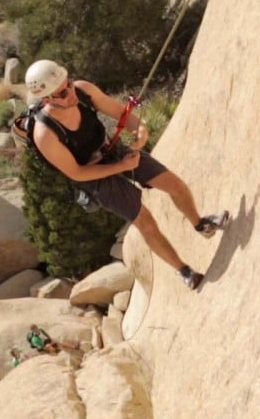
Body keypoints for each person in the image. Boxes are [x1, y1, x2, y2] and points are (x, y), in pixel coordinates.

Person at [24, 59, 229, 290]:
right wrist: (121, 167)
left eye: (68, 83)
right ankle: (185, 271)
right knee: (145, 221)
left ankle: (201, 224)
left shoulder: (83, 91)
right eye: (61, 93)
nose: (70, 93)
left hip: (111, 150)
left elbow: (122, 113)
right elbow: (78, 173)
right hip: (94, 177)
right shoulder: (45, 134)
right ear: (46, 99)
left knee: (174, 184)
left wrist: (139, 130)